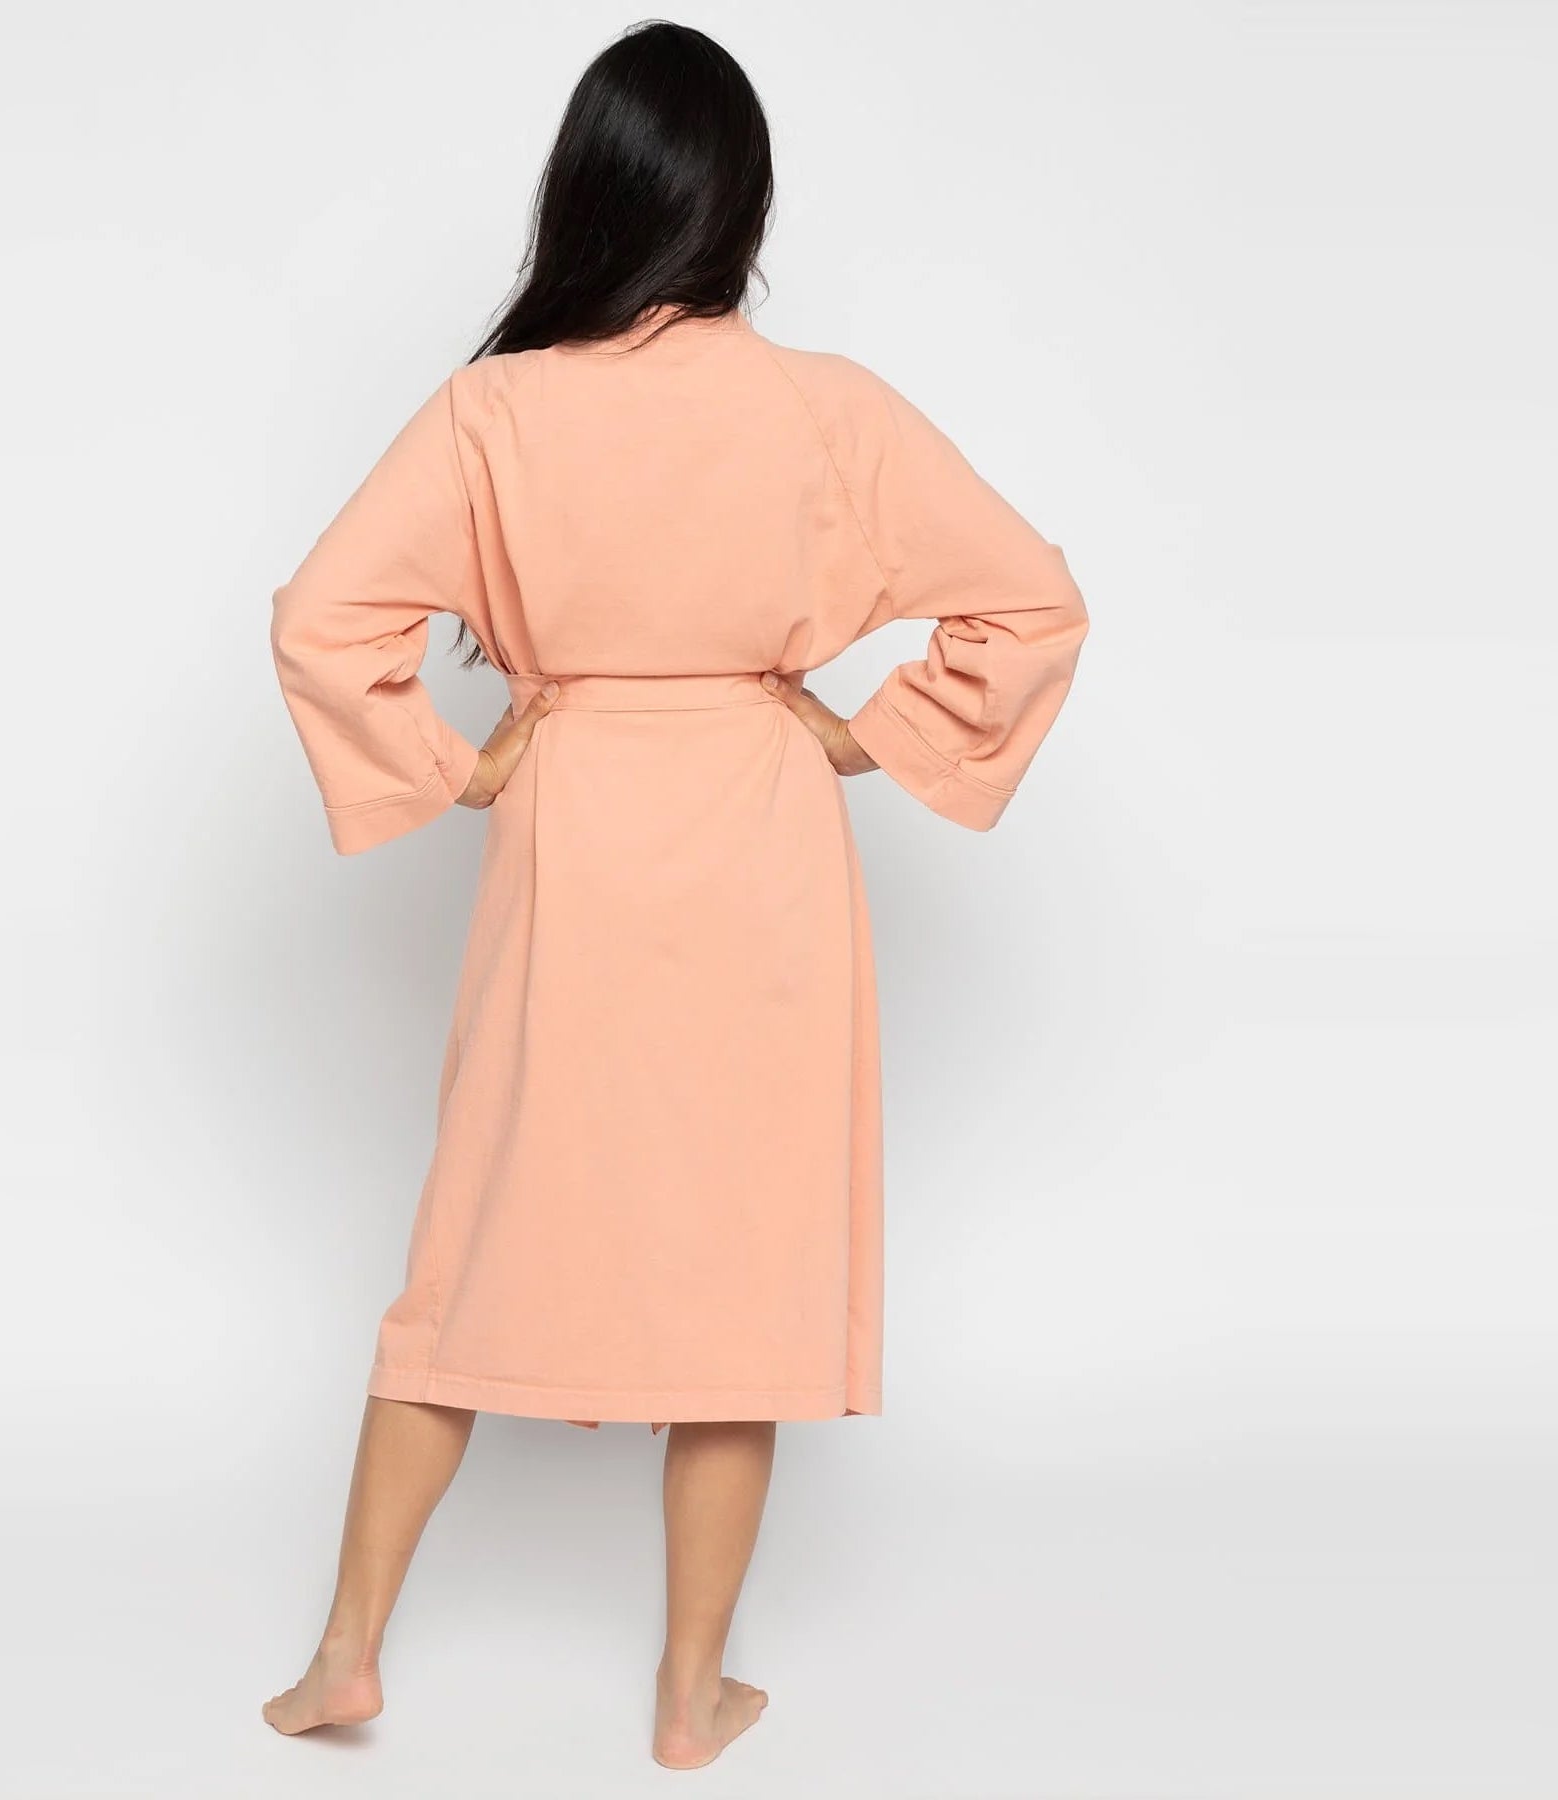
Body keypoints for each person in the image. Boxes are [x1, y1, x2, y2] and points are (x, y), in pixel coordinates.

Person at [262, 19, 1087, 1772]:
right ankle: (691, 1696)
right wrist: (860, 736)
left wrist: (458, 766)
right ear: (741, 206)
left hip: (571, 833)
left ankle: (345, 1653)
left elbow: (322, 618)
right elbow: (1032, 602)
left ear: (586, 192)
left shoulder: (496, 410)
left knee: (472, 1234)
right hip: (758, 837)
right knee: (744, 1263)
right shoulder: (825, 409)